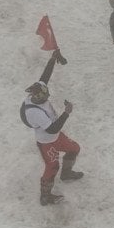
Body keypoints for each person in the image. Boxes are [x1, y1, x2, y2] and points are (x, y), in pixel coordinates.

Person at [21, 50, 85, 205]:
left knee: (74, 148)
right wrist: (66, 113)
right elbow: (52, 129)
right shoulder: (35, 113)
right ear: (37, 97)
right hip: (47, 141)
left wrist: (52, 59)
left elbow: (44, 78)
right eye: (45, 97)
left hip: (55, 136)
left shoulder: (37, 93)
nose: (47, 98)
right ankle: (45, 195)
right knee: (52, 166)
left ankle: (66, 173)